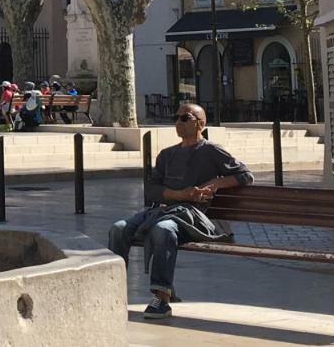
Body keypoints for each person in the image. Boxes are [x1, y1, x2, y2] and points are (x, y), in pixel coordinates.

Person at [108, 103, 253, 322]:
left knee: (163, 230)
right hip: (164, 210)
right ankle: (113, 294)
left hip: (194, 218)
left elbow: (245, 176)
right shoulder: (167, 155)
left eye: (185, 118)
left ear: (200, 124)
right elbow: (153, 190)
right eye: (176, 118)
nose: (178, 123)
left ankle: (161, 297)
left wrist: (215, 183)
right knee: (118, 229)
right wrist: (182, 195)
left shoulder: (211, 151)